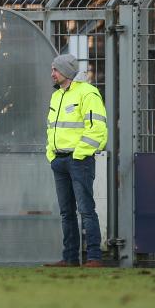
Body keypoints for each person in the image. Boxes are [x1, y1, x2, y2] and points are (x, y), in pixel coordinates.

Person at [45, 54, 108, 268]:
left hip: (79, 160)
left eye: (55, 69)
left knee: (86, 210)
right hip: (59, 161)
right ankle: (70, 258)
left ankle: (94, 258)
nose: (52, 73)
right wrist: (51, 155)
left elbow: (98, 129)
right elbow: (51, 128)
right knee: (66, 212)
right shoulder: (57, 95)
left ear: (66, 71)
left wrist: (79, 153)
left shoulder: (88, 93)